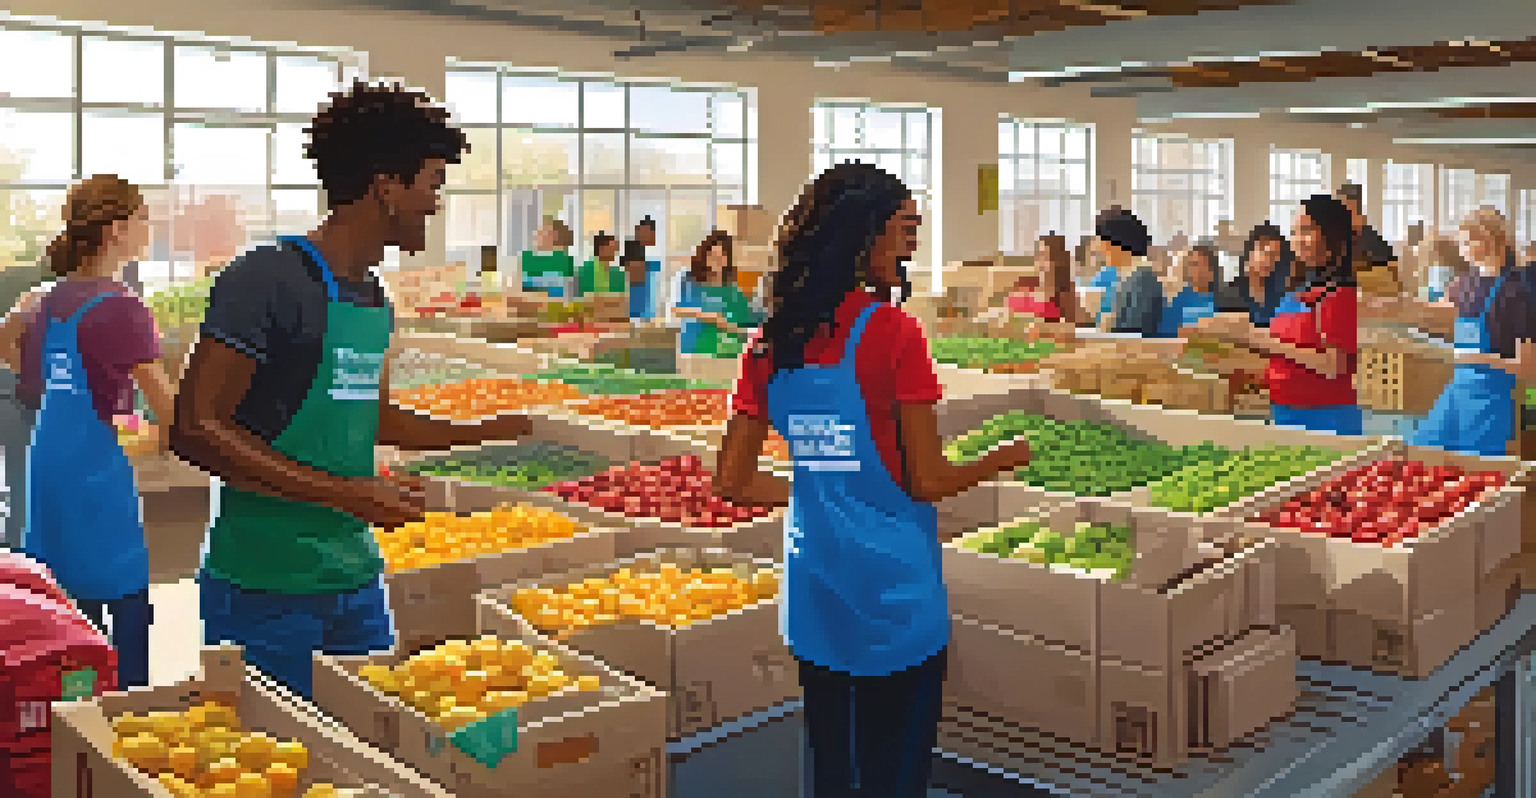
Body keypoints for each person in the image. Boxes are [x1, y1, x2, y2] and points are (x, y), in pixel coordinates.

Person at [169, 81, 533, 701]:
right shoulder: (266, 279)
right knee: (280, 747)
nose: (435, 203)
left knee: (370, 737)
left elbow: (373, 417)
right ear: (386, 186)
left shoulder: (372, 296)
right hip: (266, 584)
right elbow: (195, 428)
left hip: (356, 578)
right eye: (432, 183)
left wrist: (489, 433)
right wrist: (348, 493)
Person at [714, 162, 1032, 798]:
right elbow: (928, 480)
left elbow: (732, 482)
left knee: (833, 771)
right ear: (863, 235)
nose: (913, 242)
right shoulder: (892, 333)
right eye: (906, 227)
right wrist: (1000, 459)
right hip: (894, 595)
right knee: (894, 776)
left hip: (816, 594)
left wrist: (823, 486)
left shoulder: (768, 345)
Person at [0, 174, 177, 688]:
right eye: (144, 219)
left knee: (63, 611)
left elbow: (16, 353)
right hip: (95, 473)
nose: (148, 229)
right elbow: (169, 407)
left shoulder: (47, 300)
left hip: (48, 462)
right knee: (126, 600)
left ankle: (72, 708)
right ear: (117, 229)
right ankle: (127, 706)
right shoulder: (122, 305)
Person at [1201, 194, 1362, 436]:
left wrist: (1264, 341)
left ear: (1331, 234)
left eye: (1306, 230)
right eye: (1295, 232)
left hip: (1325, 417)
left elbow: (1334, 364)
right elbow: (1288, 347)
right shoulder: (1296, 292)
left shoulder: (1340, 293)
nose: (1298, 239)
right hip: (1285, 412)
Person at [1396, 208, 1536, 456]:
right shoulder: (1466, 283)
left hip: (1493, 399)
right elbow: (1436, 308)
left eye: (1469, 241)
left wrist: (1480, 358)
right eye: (1462, 242)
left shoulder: (1517, 292)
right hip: (1456, 391)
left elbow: (1528, 368)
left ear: (1493, 240)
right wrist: (1393, 305)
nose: (1462, 249)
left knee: (1477, 469)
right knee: (1419, 453)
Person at [0, 257, 51, 549]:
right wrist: (30, 376)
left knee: (21, 482)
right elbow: (6, 339)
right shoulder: (44, 293)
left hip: (17, 392)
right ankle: (20, 552)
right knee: (22, 482)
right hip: (16, 395)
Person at [674, 231, 760, 359]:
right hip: (694, 348)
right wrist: (708, 316)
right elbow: (676, 309)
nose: (717, 261)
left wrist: (735, 328)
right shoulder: (690, 280)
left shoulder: (731, 288)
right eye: (713, 256)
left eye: (721, 257)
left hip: (724, 351)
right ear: (705, 256)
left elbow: (746, 319)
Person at [1096, 209, 1164, 336]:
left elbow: (1134, 330)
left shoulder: (1144, 279)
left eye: (1104, 244)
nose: (1101, 251)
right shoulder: (1128, 276)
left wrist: (1110, 325)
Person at [1214, 223, 1295, 327]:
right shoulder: (1229, 294)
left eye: (1273, 254)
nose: (1266, 259)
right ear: (1250, 251)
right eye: (1262, 250)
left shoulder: (1282, 296)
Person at [1004, 234, 1078, 324]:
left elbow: (1068, 326)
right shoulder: (1024, 284)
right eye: (1039, 255)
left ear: (1058, 261)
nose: (1040, 261)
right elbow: (1007, 314)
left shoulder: (1067, 296)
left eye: (1045, 257)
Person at [1160, 244, 1218, 337]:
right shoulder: (1180, 300)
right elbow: (1165, 332)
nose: (1196, 270)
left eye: (1200, 265)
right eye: (1193, 265)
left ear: (1211, 271)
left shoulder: (1220, 300)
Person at [520, 217, 576, 298]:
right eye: (537, 231)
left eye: (542, 232)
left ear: (555, 236)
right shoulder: (527, 257)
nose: (536, 234)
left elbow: (562, 294)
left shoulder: (564, 261)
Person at [625, 217, 663, 320]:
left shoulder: (657, 252)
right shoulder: (631, 248)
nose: (641, 235)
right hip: (635, 305)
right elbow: (632, 276)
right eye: (640, 231)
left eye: (645, 232)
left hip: (651, 306)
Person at [576, 231, 625, 297]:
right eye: (612, 247)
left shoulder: (618, 274)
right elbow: (580, 295)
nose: (615, 250)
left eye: (615, 247)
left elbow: (621, 297)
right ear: (601, 249)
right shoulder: (586, 270)